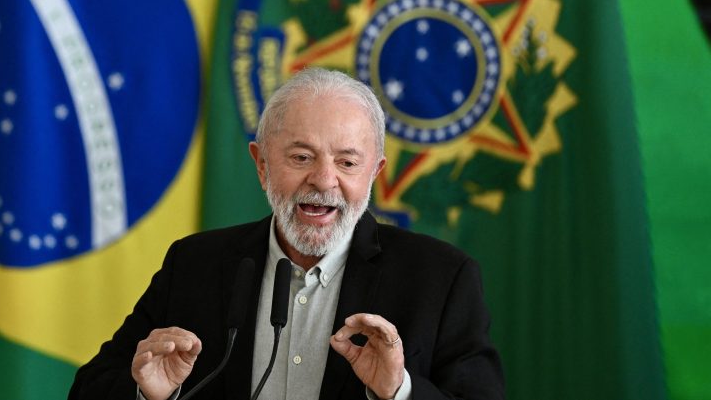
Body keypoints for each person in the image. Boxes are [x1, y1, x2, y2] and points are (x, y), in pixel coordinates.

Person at [68, 67, 504, 400]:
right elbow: (89, 388)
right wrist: (150, 394)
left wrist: (398, 391)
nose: (324, 180)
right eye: (301, 157)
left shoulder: (441, 277)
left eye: (347, 163)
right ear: (261, 164)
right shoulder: (194, 265)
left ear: (375, 172)